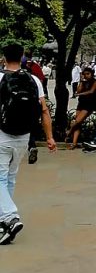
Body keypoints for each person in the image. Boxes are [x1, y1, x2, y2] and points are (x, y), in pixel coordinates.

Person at [0, 42, 56, 244]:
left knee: (0, 178)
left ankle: (10, 216)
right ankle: (4, 221)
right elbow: (44, 111)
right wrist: (49, 137)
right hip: (23, 137)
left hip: (2, 135)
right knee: (10, 177)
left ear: (4, 57)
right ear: (22, 56)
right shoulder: (33, 80)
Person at [65, 67, 96, 148]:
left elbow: (91, 91)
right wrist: (81, 81)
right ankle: (74, 143)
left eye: (88, 74)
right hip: (82, 102)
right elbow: (78, 90)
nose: (86, 76)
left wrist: (79, 94)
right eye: (84, 74)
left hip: (90, 104)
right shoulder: (83, 82)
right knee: (78, 123)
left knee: (77, 121)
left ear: (92, 74)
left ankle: (68, 132)